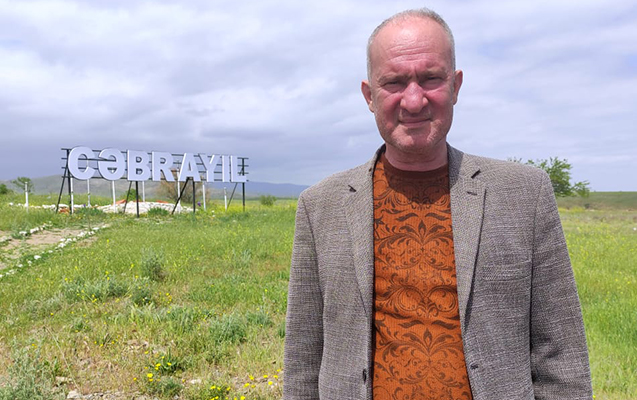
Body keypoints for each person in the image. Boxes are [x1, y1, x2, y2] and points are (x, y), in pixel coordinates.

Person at [284, 8, 592, 400]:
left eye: (430, 78)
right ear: (369, 96)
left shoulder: (525, 194)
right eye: (394, 82)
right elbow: (303, 357)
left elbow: (561, 353)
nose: (414, 101)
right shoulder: (319, 207)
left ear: (456, 85)